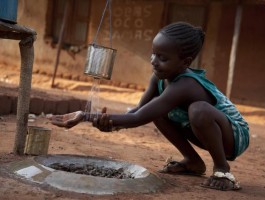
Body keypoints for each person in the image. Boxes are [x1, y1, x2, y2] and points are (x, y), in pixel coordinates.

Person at [50, 22, 249, 191]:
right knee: (158, 112)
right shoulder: (159, 78)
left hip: (233, 135)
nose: (154, 62)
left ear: (185, 62)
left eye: (163, 58)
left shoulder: (186, 85)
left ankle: (222, 170)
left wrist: (85, 117)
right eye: (154, 54)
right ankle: (193, 162)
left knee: (198, 110)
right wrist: (99, 119)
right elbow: (138, 111)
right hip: (205, 129)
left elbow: (137, 119)